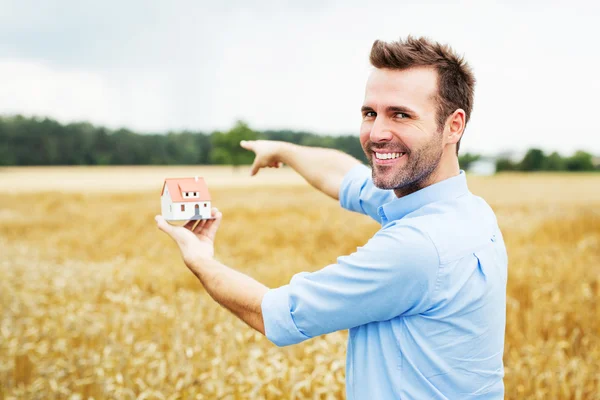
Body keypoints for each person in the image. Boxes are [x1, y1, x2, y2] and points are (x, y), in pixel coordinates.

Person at [155, 36, 507, 399]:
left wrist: (200, 259)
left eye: (401, 114)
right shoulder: (470, 211)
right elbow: (344, 177)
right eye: (370, 113)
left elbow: (276, 314)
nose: (377, 133)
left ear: (454, 126)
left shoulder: (417, 249)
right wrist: (282, 150)